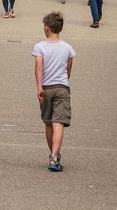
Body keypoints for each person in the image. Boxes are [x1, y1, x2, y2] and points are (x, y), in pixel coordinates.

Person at [34, 11, 76, 172]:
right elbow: (68, 70)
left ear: (46, 28)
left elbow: (39, 68)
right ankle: (54, 156)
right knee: (59, 123)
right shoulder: (68, 48)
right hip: (62, 87)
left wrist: (39, 87)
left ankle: (53, 155)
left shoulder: (39, 47)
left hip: (46, 87)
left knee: (48, 123)